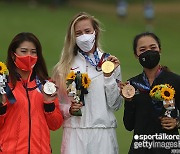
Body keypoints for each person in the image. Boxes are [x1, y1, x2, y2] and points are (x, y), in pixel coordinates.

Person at [52, 12, 122, 154]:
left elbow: (115, 105)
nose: (84, 36)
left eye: (87, 31)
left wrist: (108, 77)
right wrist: (69, 110)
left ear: (95, 32)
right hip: (75, 133)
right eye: (78, 33)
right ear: (73, 37)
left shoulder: (110, 63)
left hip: (104, 131)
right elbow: (57, 105)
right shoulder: (64, 67)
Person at [0, 32, 63, 153]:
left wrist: (49, 104)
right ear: (13, 55)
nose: (29, 56)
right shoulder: (4, 85)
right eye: (24, 51)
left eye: (33, 52)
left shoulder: (46, 85)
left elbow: (55, 125)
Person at [122, 32, 180, 154]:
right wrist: (128, 101)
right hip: (140, 148)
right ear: (136, 55)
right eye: (142, 49)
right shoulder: (132, 85)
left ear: (160, 50)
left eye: (153, 48)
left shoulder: (175, 81)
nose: (149, 52)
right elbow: (128, 125)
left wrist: (177, 122)